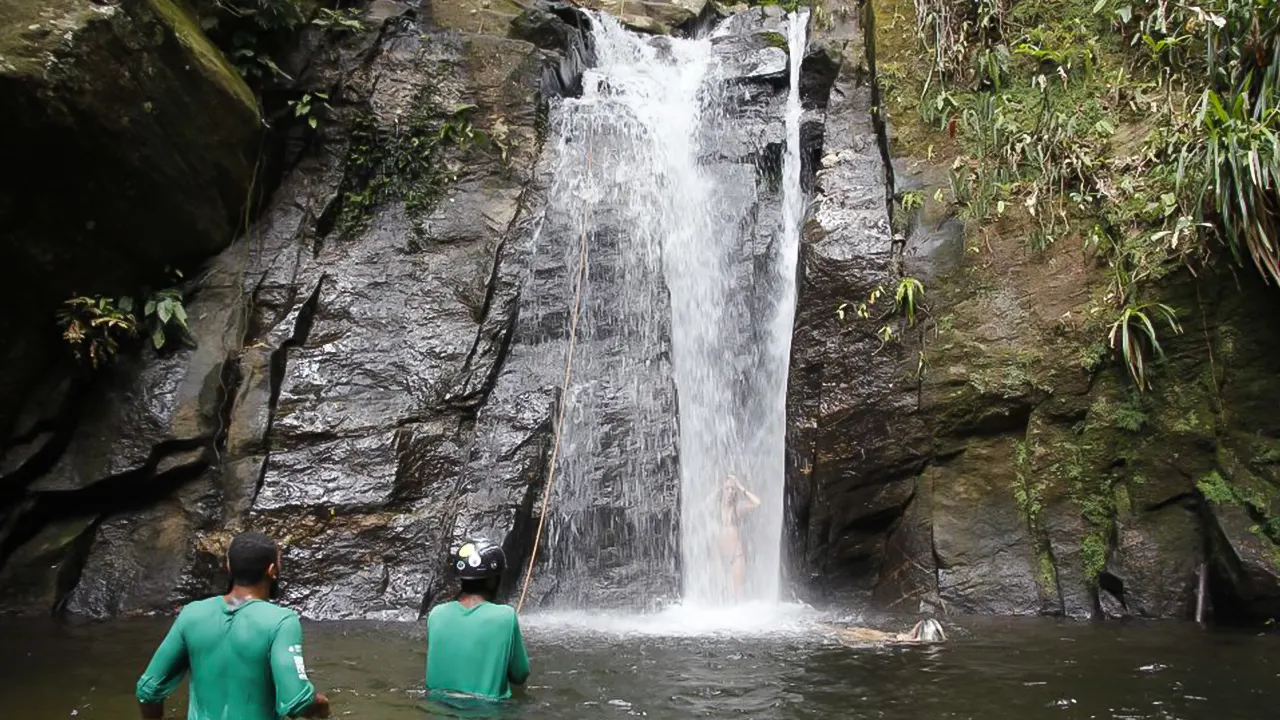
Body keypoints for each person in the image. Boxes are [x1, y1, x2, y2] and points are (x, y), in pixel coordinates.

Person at [135, 531, 330, 720]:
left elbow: (148, 691)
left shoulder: (191, 614)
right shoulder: (281, 621)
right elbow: (297, 702)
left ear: (229, 566)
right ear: (271, 571)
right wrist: (322, 706)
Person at [426, 537, 530, 702]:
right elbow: (520, 675)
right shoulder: (505, 616)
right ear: (491, 580)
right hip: (485, 711)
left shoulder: (436, 614)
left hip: (439, 707)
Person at [716, 474, 761, 598]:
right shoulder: (715, 508)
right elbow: (701, 506)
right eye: (727, 488)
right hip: (719, 555)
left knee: (737, 592)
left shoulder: (738, 507)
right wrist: (717, 488)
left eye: (733, 489)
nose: (730, 491)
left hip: (737, 555)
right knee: (719, 591)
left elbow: (757, 503)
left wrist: (742, 488)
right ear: (722, 489)